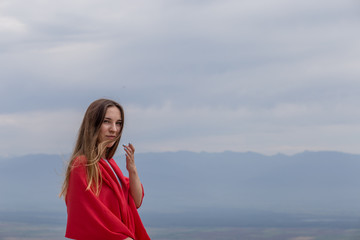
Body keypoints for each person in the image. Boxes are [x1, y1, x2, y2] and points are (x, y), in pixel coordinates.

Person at [60, 99, 150, 240]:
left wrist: (132, 169)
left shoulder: (110, 164)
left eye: (118, 123)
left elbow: (137, 201)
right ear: (92, 124)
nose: (114, 129)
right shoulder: (82, 164)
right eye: (107, 121)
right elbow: (89, 217)